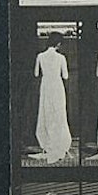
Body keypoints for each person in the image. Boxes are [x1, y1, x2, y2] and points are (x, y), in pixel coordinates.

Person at [31, 32, 72, 164]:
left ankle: (48, 144)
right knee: (59, 114)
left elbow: (36, 74)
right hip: (57, 87)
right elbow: (65, 76)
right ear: (59, 43)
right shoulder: (61, 57)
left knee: (46, 114)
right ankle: (59, 144)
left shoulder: (40, 56)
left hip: (46, 87)